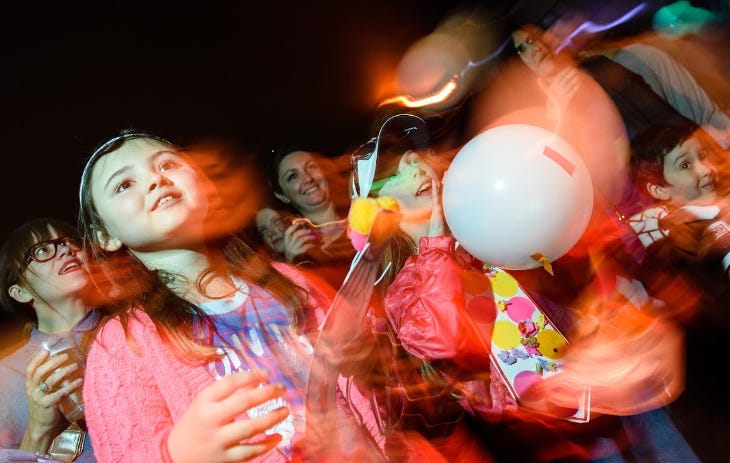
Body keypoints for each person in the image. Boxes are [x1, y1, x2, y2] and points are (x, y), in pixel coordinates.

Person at [351, 114, 697, 462]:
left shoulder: (489, 224)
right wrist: (436, 243)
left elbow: (564, 260)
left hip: (614, 385)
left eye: (414, 158)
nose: (416, 168)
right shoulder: (405, 288)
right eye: (394, 172)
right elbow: (437, 335)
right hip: (559, 433)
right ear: (376, 208)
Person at [76, 131, 379, 462]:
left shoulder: (291, 282)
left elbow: (370, 388)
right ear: (105, 236)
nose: (154, 180)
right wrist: (177, 454)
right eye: (124, 185)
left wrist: (365, 354)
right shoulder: (121, 346)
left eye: (166, 164)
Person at [629, 121, 730, 462]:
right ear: (660, 191)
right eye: (685, 165)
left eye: (703, 156)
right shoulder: (675, 250)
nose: (706, 169)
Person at [0, 218, 99, 462]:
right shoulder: (6, 375)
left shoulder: (134, 331)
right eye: (43, 250)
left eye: (70, 241)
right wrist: (39, 427)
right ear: (20, 292)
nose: (66, 249)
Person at [264, 147, 355, 288]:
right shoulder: (297, 252)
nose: (308, 178)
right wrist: (294, 267)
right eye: (293, 176)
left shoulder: (361, 215)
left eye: (311, 167)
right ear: (282, 195)